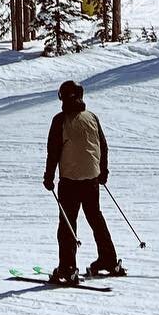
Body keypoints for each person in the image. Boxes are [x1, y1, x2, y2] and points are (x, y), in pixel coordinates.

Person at [43, 79, 123, 283]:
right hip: (92, 179)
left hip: (70, 180)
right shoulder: (92, 117)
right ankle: (109, 260)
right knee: (95, 217)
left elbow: (54, 151)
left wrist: (48, 176)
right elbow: (103, 146)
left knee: (67, 223)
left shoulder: (60, 120)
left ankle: (68, 268)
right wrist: (103, 172)